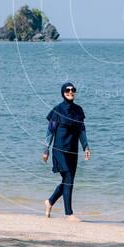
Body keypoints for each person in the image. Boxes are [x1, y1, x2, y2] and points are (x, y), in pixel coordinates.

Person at [42, 82, 91, 221]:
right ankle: (69, 214)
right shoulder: (57, 110)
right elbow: (50, 132)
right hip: (59, 149)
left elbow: (82, 131)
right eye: (67, 90)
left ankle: (50, 201)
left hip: (72, 150)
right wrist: (46, 150)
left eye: (73, 90)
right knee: (68, 178)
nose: (70, 92)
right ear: (63, 92)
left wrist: (86, 147)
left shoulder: (78, 110)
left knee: (68, 180)